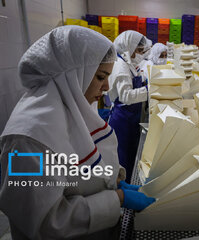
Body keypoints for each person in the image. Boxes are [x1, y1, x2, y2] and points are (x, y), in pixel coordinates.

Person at [0, 26, 154, 240]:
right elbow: (45, 223)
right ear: (74, 75)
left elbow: (80, 165)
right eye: (101, 77)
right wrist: (116, 199)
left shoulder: (71, 104)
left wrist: (112, 179)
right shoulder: (27, 139)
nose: (106, 87)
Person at [108, 30, 148, 183]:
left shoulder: (126, 63)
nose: (139, 54)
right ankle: (121, 195)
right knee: (123, 159)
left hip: (130, 119)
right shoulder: (121, 66)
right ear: (128, 47)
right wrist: (149, 91)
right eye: (138, 51)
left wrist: (144, 81)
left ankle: (126, 191)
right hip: (123, 120)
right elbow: (126, 96)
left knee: (130, 157)